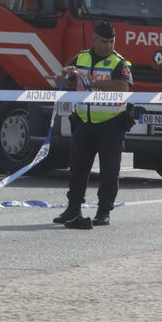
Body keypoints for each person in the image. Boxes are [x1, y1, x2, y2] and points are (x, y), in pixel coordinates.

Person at [53, 21, 133, 229]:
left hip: (111, 124)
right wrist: (66, 74)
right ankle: (73, 208)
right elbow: (56, 80)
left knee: (109, 171)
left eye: (112, 41)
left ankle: (104, 211)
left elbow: (122, 88)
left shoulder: (119, 63)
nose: (109, 46)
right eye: (104, 41)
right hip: (84, 122)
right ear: (94, 40)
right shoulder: (81, 57)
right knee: (78, 168)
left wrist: (91, 80)